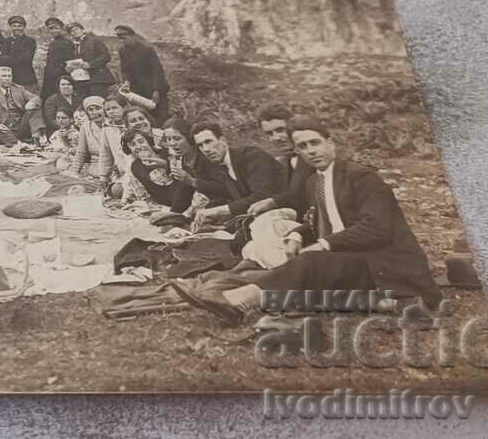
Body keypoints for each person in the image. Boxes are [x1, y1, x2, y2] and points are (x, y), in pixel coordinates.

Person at [173, 117, 442, 324]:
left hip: (385, 263)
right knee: (294, 263)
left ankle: (240, 300)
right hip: (351, 259)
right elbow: (318, 221)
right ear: (298, 153)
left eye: (315, 143)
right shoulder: (314, 181)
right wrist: (299, 235)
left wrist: (324, 244)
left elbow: (377, 228)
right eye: (302, 146)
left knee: (312, 261)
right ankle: (242, 296)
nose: (311, 151)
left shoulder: (361, 177)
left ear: (330, 143)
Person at [189, 120, 287, 229]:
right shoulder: (220, 166)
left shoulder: (251, 156)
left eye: (208, 142)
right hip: (261, 220)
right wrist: (211, 218)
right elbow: (236, 200)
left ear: (223, 140)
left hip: (287, 216)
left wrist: (218, 211)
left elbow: (261, 197)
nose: (206, 149)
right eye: (200, 145)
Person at [246, 102, 314, 217]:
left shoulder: (313, 154)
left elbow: (305, 193)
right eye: (269, 133)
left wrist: (273, 202)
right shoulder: (286, 160)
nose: (276, 138)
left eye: (280, 130)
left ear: (292, 125)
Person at [121, 128, 196, 214]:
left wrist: (166, 166)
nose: (138, 146)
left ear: (148, 141)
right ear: (129, 149)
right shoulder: (136, 166)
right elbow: (144, 192)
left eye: (141, 141)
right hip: (164, 201)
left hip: (183, 193)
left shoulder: (166, 153)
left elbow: (183, 174)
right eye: (132, 145)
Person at [0, 63, 48, 147]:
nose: (7, 79)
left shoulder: (19, 88)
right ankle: (19, 143)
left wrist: (31, 102)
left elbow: (36, 98)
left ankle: (37, 138)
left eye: (9, 76)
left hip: (20, 125)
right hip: (1, 126)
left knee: (35, 107)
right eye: (3, 76)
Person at [114, 24, 171, 123]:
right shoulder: (122, 50)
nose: (122, 41)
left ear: (132, 35)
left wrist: (157, 90)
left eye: (124, 38)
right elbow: (125, 70)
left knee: (160, 115)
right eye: (119, 39)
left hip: (153, 88)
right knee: (142, 114)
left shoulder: (146, 49)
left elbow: (157, 71)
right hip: (137, 91)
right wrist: (127, 82)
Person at [66, 96, 115, 186]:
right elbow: (81, 153)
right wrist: (73, 172)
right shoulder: (85, 127)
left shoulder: (113, 125)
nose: (95, 112)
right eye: (91, 110)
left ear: (104, 110)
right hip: (95, 170)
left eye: (98, 108)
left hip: (114, 169)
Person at [67, 22, 117, 97]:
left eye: (76, 29)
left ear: (83, 30)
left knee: (99, 101)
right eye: (71, 31)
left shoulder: (94, 41)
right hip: (82, 80)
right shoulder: (73, 46)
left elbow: (106, 56)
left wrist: (90, 64)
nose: (74, 32)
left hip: (98, 78)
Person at [40, 17, 74, 101]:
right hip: (49, 77)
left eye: (56, 28)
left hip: (60, 76)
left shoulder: (67, 42)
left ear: (62, 29)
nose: (54, 31)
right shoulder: (53, 43)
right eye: (51, 29)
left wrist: (59, 73)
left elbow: (69, 61)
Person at [1, 15, 38, 90]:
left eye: (19, 26)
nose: (16, 28)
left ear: (24, 27)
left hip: (26, 78)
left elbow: (26, 58)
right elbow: (2, 57)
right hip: (10, 78)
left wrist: (7, 59)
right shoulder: (6, 41)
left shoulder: (29, 41)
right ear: (10, 27)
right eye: (14, 26)